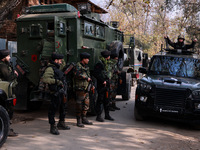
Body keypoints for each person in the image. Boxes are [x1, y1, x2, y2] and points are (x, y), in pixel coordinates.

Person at [42, 52, 70, 135]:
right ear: (56, 60)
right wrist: (56, 81)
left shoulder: (57, 67)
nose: (61, 62)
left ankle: (61, 123)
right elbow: (45, 79)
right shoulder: (50, 69)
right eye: (60, 60)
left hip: (61, 92)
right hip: (55, 92)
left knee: (63, 108)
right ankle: (52, 126)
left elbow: (63, 64)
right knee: (53, 110)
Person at [0, 49, 18, 136]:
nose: (9, 57)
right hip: (5, 91)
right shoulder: (2, 66)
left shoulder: (5, 64)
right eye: (8, 56)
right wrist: (15, 74)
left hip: (8, 89)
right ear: (3, 58)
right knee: (8, 110)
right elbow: (8, 77)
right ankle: (7, 129)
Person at [93, 50, 114, 122]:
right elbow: (95, 73)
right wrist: (102, 81)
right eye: (109, 56)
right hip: (101, 85)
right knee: (100, 100)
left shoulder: (106, 63)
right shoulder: (99, 64)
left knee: (107, 100)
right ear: (107, 56)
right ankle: (98, 116)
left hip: (106, 84)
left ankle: (107, 115)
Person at [73, 52, 93, 127]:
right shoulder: (77, 66)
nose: (88, 60)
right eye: (87, 59)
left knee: (86, 104)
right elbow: (77, 74)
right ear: (83, 59)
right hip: (80, 88)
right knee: (79, 105)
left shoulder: (86, 67)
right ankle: (79, 120)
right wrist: (86, 78)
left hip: (86, 88)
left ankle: (84, 118)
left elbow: (89, 76)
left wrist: (91, 85)